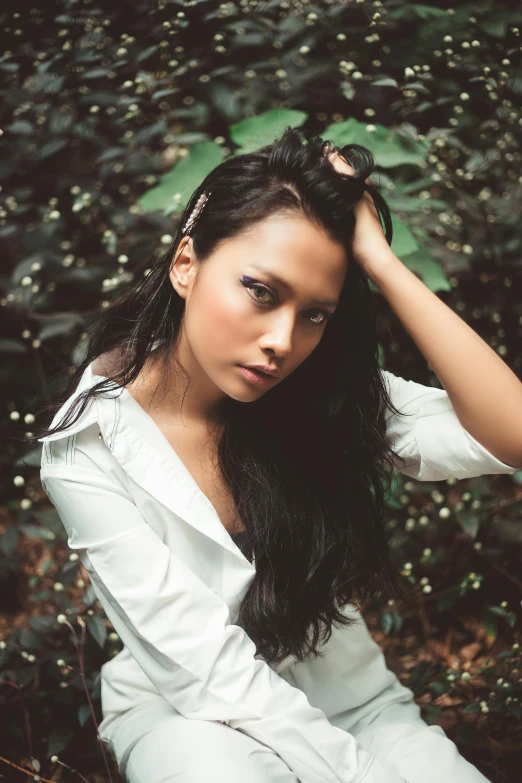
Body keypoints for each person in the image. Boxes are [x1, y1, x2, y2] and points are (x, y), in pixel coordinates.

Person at [34, 127, 522, 783]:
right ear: (186, 264)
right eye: (261, 290)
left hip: (355, 707)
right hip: (193, 722)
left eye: (315, 313)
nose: (282, 340)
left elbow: (510, 432)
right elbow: (208, 674)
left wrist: (380, 260)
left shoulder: (320, 393)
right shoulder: (88, 444)